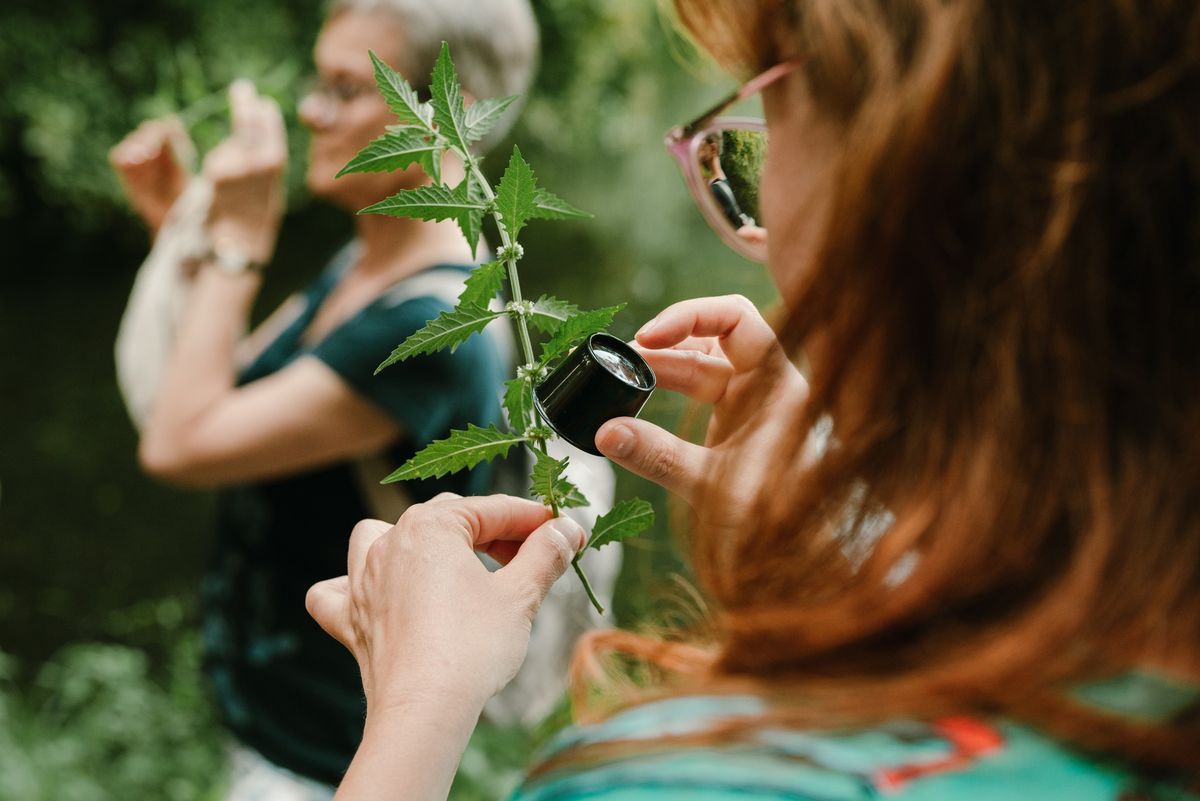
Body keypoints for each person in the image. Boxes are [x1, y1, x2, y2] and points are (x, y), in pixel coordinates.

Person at [306, 0, 1200, 797]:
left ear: (906, 170)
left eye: (755, 134)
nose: (753, 233)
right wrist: (849, 536)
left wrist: (416, 711)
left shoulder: (682, 782)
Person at [110, 0, 616, 796]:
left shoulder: (429, 324)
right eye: (321, 79)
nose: (309, 109)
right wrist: (181, 225)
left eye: (345, 88)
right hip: (267, 708)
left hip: (323, 756)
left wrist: (240, 240)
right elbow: (233, 390)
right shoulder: (375, 251)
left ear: (447, 116)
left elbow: (178, 443)